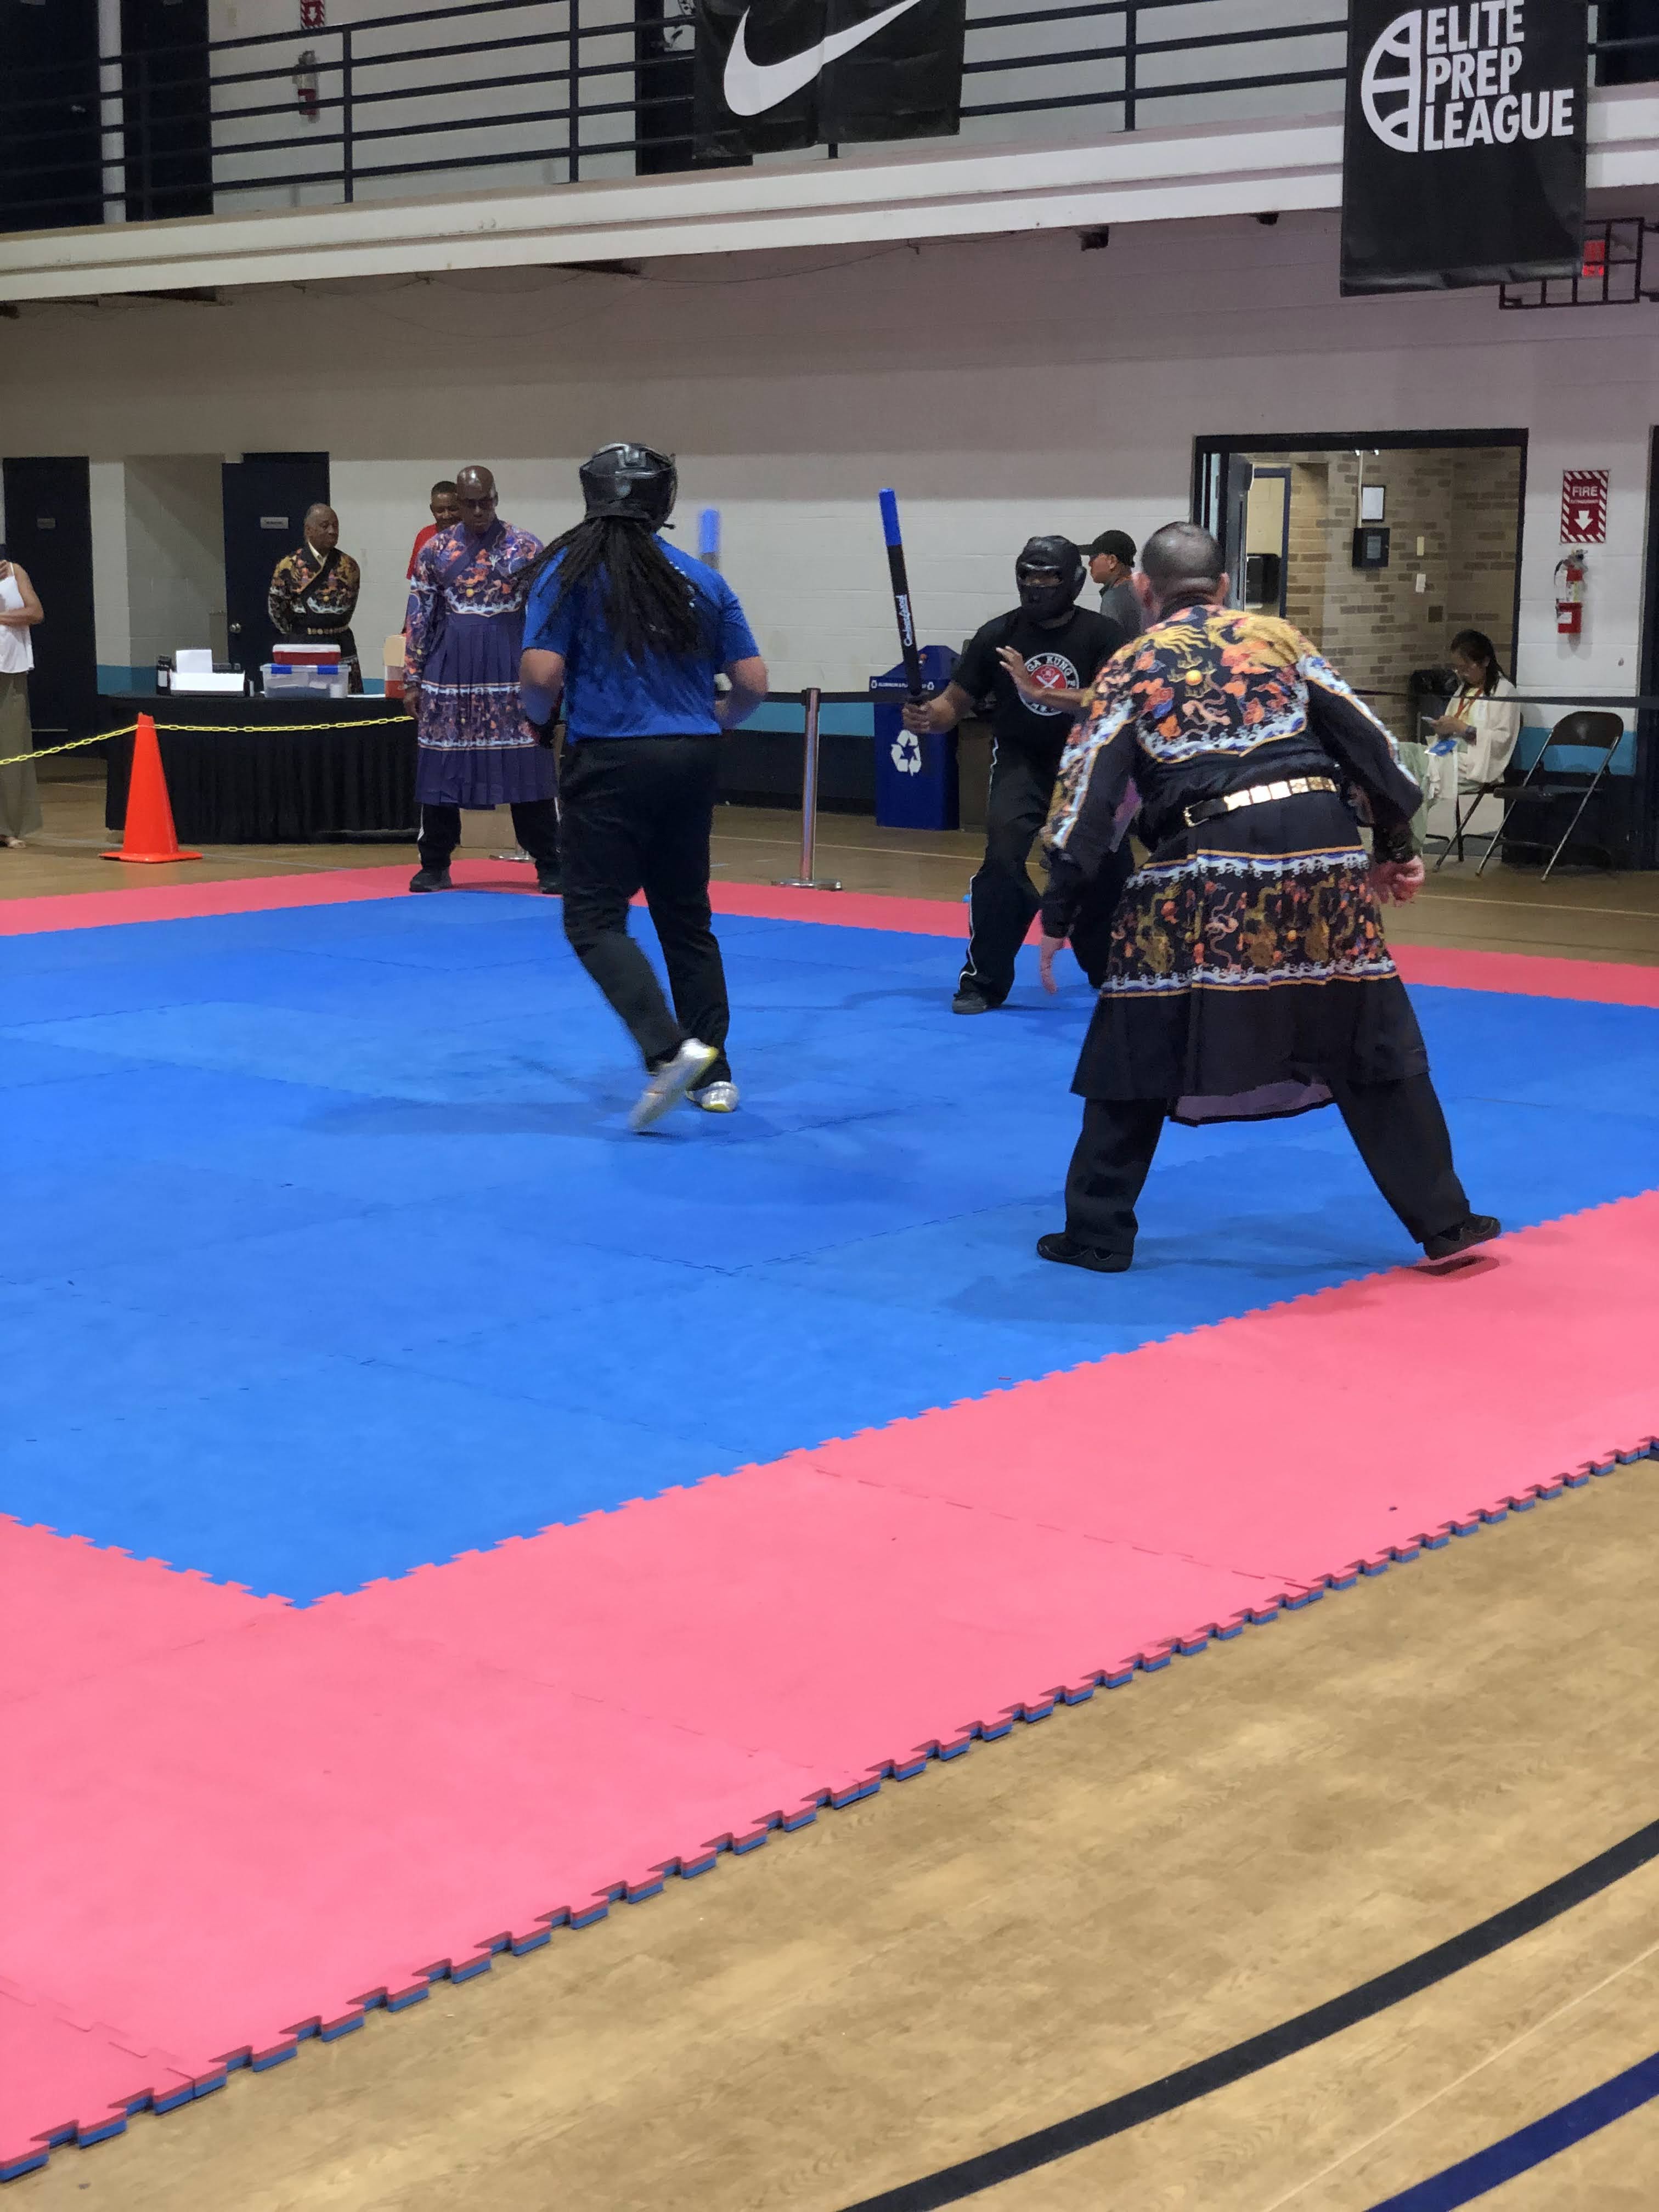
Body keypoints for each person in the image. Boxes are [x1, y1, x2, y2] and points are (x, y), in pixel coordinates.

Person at [1036, 520, 1498, 1274]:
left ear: (1145, 589)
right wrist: (1395, 847)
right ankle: (1446, 1220)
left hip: (1208, 854)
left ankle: (1097, 1232)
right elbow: (1371, 745)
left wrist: (1059, 911)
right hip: (1322, 845)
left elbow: (1088, 798)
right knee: (1364, 1027)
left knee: (1139, 1031)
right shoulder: (1279, 639)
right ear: (1223, 587)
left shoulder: (1131, 663)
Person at [520, 442, 767, 1131]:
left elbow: (541, 676)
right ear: (664, 502)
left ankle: (667, 1050)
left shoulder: (568, 573)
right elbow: (752, 684)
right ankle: (714, 1076)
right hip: (692, 757)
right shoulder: (701, 579)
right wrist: (714, 720)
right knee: (685, 918)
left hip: (611, 759)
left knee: (593, 919)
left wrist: (538, 721)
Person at [902, 535, 1131, 1013]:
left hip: (1086, 764)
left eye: (1049, 576)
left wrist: (1038, 691)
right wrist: (929, 717)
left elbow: (1112, 701)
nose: (1037, 585)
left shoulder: (1104, 635)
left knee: (1104, 870)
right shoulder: (997, 635)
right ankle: (984, 981)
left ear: (1072, 581)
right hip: (1020, 760)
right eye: (1029, 575)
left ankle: (1110, 968)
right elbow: (952, 705)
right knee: (1003, 861)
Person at [405, 464, 561, 894]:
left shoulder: (526, 547)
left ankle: (551, 862)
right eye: (470, 504)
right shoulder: (435, 551)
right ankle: (434, 864)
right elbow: (420, 615)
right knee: (441, 765)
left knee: (527, 763)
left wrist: (549, 676)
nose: (479, 511)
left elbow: (548, 613)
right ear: (457, 504)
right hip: (450, 671)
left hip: (511, 668)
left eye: (486, 502)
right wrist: (413, 678)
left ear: (496, 498)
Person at [1424, 629, 1523, 849]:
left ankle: (1408, 840)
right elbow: (1453, 722)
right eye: (1457, 668)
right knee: (1410, 765)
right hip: (1451, 750)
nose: (1462, 674)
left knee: (1423, 775)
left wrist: (1462, 728)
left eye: (1466, 667)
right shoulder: (1463, 690)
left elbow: (1501, 739)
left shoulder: (1504, 692)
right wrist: (1444, 728)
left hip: (1477, 759)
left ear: (1485, 661)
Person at [267, 504, 363, 691]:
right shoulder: (289, 566)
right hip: (302, 644)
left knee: (345, 701)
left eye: (335, 526)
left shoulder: (349, 566)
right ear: (308, 530)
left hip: (340, 643)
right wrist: (300, 631)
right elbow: (276, 609)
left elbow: (349, 606)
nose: (332, 531)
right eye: (325, 526)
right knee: (304, 700)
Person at [0, 550, 44, 850]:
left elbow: (35, 613)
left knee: (11, 748)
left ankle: (8, 827)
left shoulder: (15, 572)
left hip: (11, 670)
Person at [1087, 530, 1142, 638]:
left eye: (1093, 557)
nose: (1090, 564)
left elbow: (1110, 643)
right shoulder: (1141, 590)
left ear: (1112, 561)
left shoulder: (1113, 598)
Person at [407, 479, 461, 580]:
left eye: (453, 509)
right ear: (432, 510)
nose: (447, 515)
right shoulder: (424, 536)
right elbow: (417, 581)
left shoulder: (475, 535)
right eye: (440, 511)